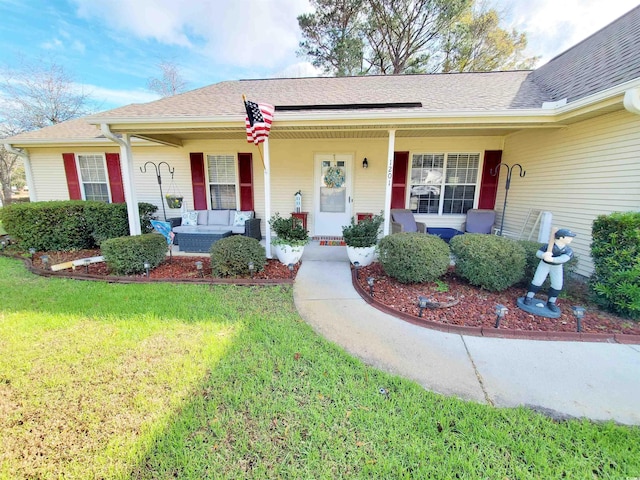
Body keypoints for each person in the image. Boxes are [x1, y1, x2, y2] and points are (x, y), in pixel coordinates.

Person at [523, 228, 576, 313]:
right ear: (561, 237)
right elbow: (538, 253)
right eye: (568, 237)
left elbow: (564, 258)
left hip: (557, 267)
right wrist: (544, 255)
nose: (571, 239)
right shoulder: (548, 246)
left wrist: (552, 259)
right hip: (544, 265)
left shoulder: (567, 250)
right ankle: (529, 297)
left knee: (557, 285)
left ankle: (551, 302)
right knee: (537, 281)